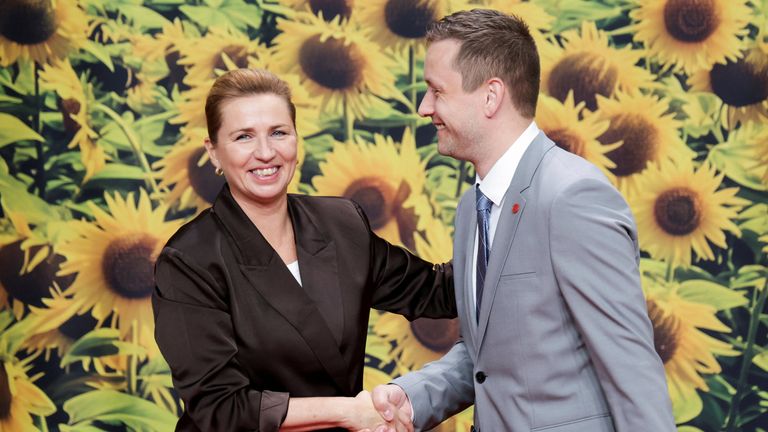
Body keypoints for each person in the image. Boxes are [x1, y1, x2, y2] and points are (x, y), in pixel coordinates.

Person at [372, 9, 675, 432]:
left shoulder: (572, 196)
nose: (425, 108)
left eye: (436, 91)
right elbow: (487, 359)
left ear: (491, 96)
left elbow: (632, 372)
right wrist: (413, 396)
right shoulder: (470, 207)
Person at [152, 68, 456, 432]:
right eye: (243, 137)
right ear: (214, 153)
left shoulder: (341, 223)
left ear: (297, 140)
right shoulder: (189, 260)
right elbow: (222, 408)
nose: (265, 153)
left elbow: (438, 292)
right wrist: (348, 412)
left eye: (278, 133)